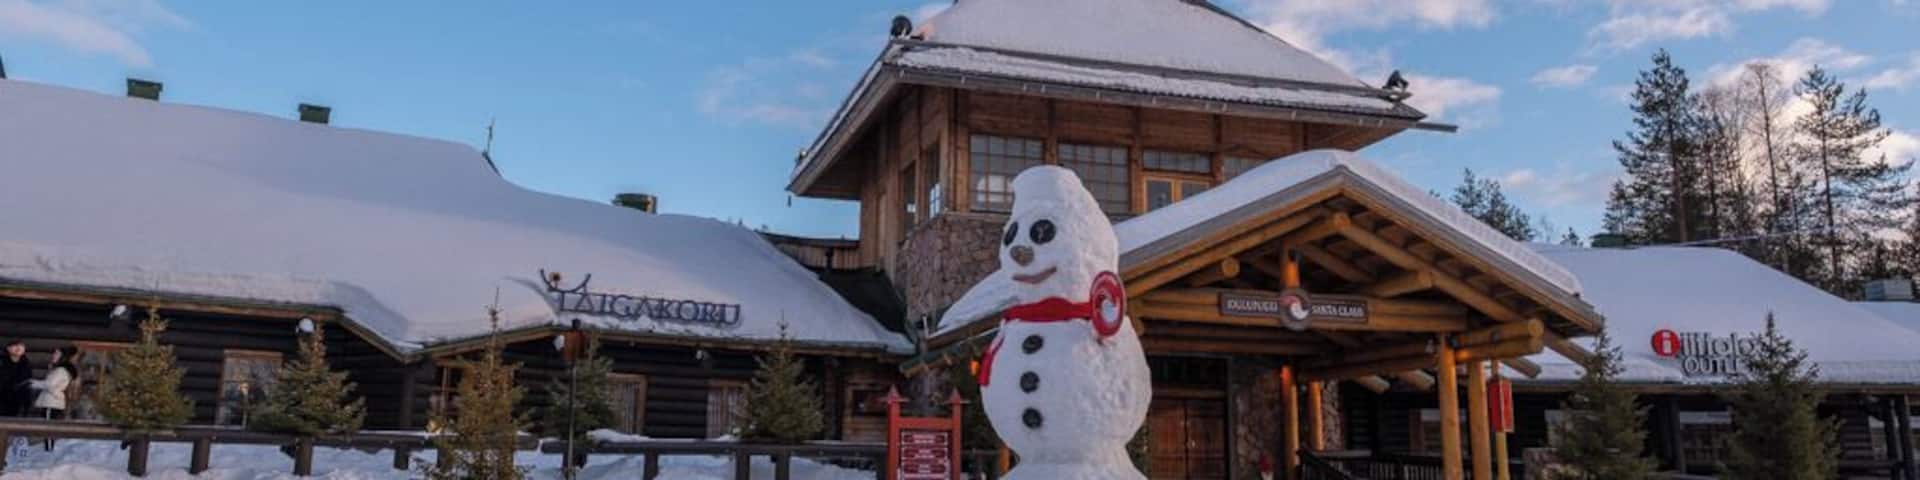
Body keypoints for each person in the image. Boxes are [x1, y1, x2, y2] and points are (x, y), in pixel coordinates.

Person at [29, 346, 75, 450]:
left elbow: (49, 384)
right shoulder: (57, 369)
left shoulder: (60, 370)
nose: (53, 355)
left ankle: (49, 450)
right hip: (52, 401)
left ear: (62, 357)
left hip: (52, 402)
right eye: (54, 353)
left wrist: (33, 383)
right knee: (48, 427)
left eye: (57, 354)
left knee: (48, 428)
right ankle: (48, 449)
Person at [0, 340, 33, 417]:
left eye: (21, 346)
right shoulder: (2, 361)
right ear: (8, 348)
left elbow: (27, 382)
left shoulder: (26, 364)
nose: (18, 348)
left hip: (18, 399)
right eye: (15, 345)